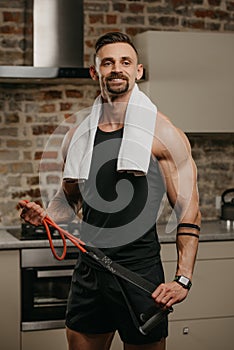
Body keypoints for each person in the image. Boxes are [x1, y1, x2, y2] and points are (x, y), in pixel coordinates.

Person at [19, 32, 201, 350]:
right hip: (89, 270)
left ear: (138, 71)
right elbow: (68, 199)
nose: (117, 68)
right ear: (95, 72)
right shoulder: (77, 135)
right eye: (108, 62)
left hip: (140, 274)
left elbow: (188, 208)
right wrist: (47, 215)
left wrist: (182, 278)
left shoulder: (164, 134)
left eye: (125, 61)